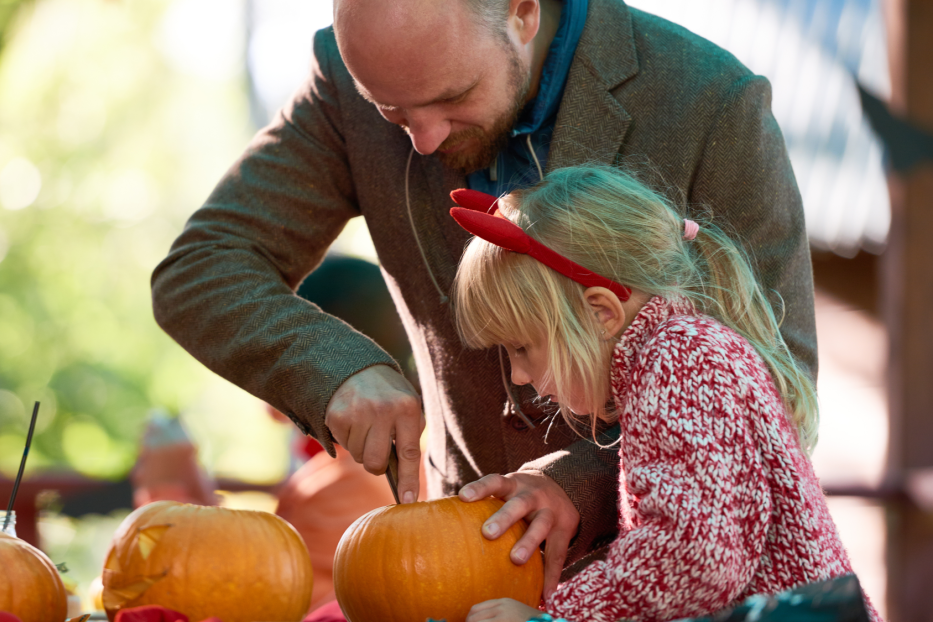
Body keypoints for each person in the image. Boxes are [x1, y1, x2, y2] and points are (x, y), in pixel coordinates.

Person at [151, 0, 817, 590]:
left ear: (522, 13)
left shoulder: (708, 98)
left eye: (452, 97)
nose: (423, 140)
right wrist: (335, 368)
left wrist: (576, 485)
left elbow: (772, 382)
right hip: (447, 572)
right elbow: (202, 268)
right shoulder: (347, 79)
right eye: (392, 114)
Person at [447, 166, 879, 622]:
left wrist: (561, 616)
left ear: (601, 312)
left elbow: (696, 557)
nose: (517, 376)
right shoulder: (676, 354)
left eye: (521, 347)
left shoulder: (678, 359)